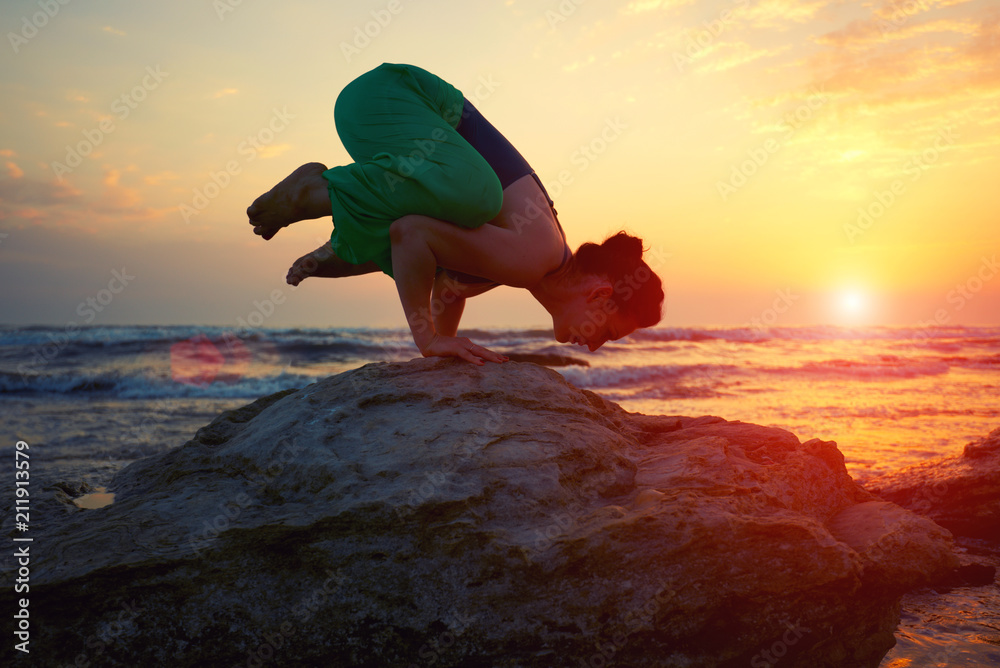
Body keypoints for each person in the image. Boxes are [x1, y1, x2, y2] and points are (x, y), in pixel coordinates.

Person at [247, 63, 663, 365]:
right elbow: (410, 234)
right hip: (394, 98)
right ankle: (319, 193)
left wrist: (445, 348)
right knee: (476, 196)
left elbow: (441, 283)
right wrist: (427, 341)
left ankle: (333, 224)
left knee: (443, 264)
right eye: (606, 334)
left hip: (375, 107)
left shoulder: (530, 262)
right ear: (600, 295)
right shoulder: (534, 257)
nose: (594, 347)